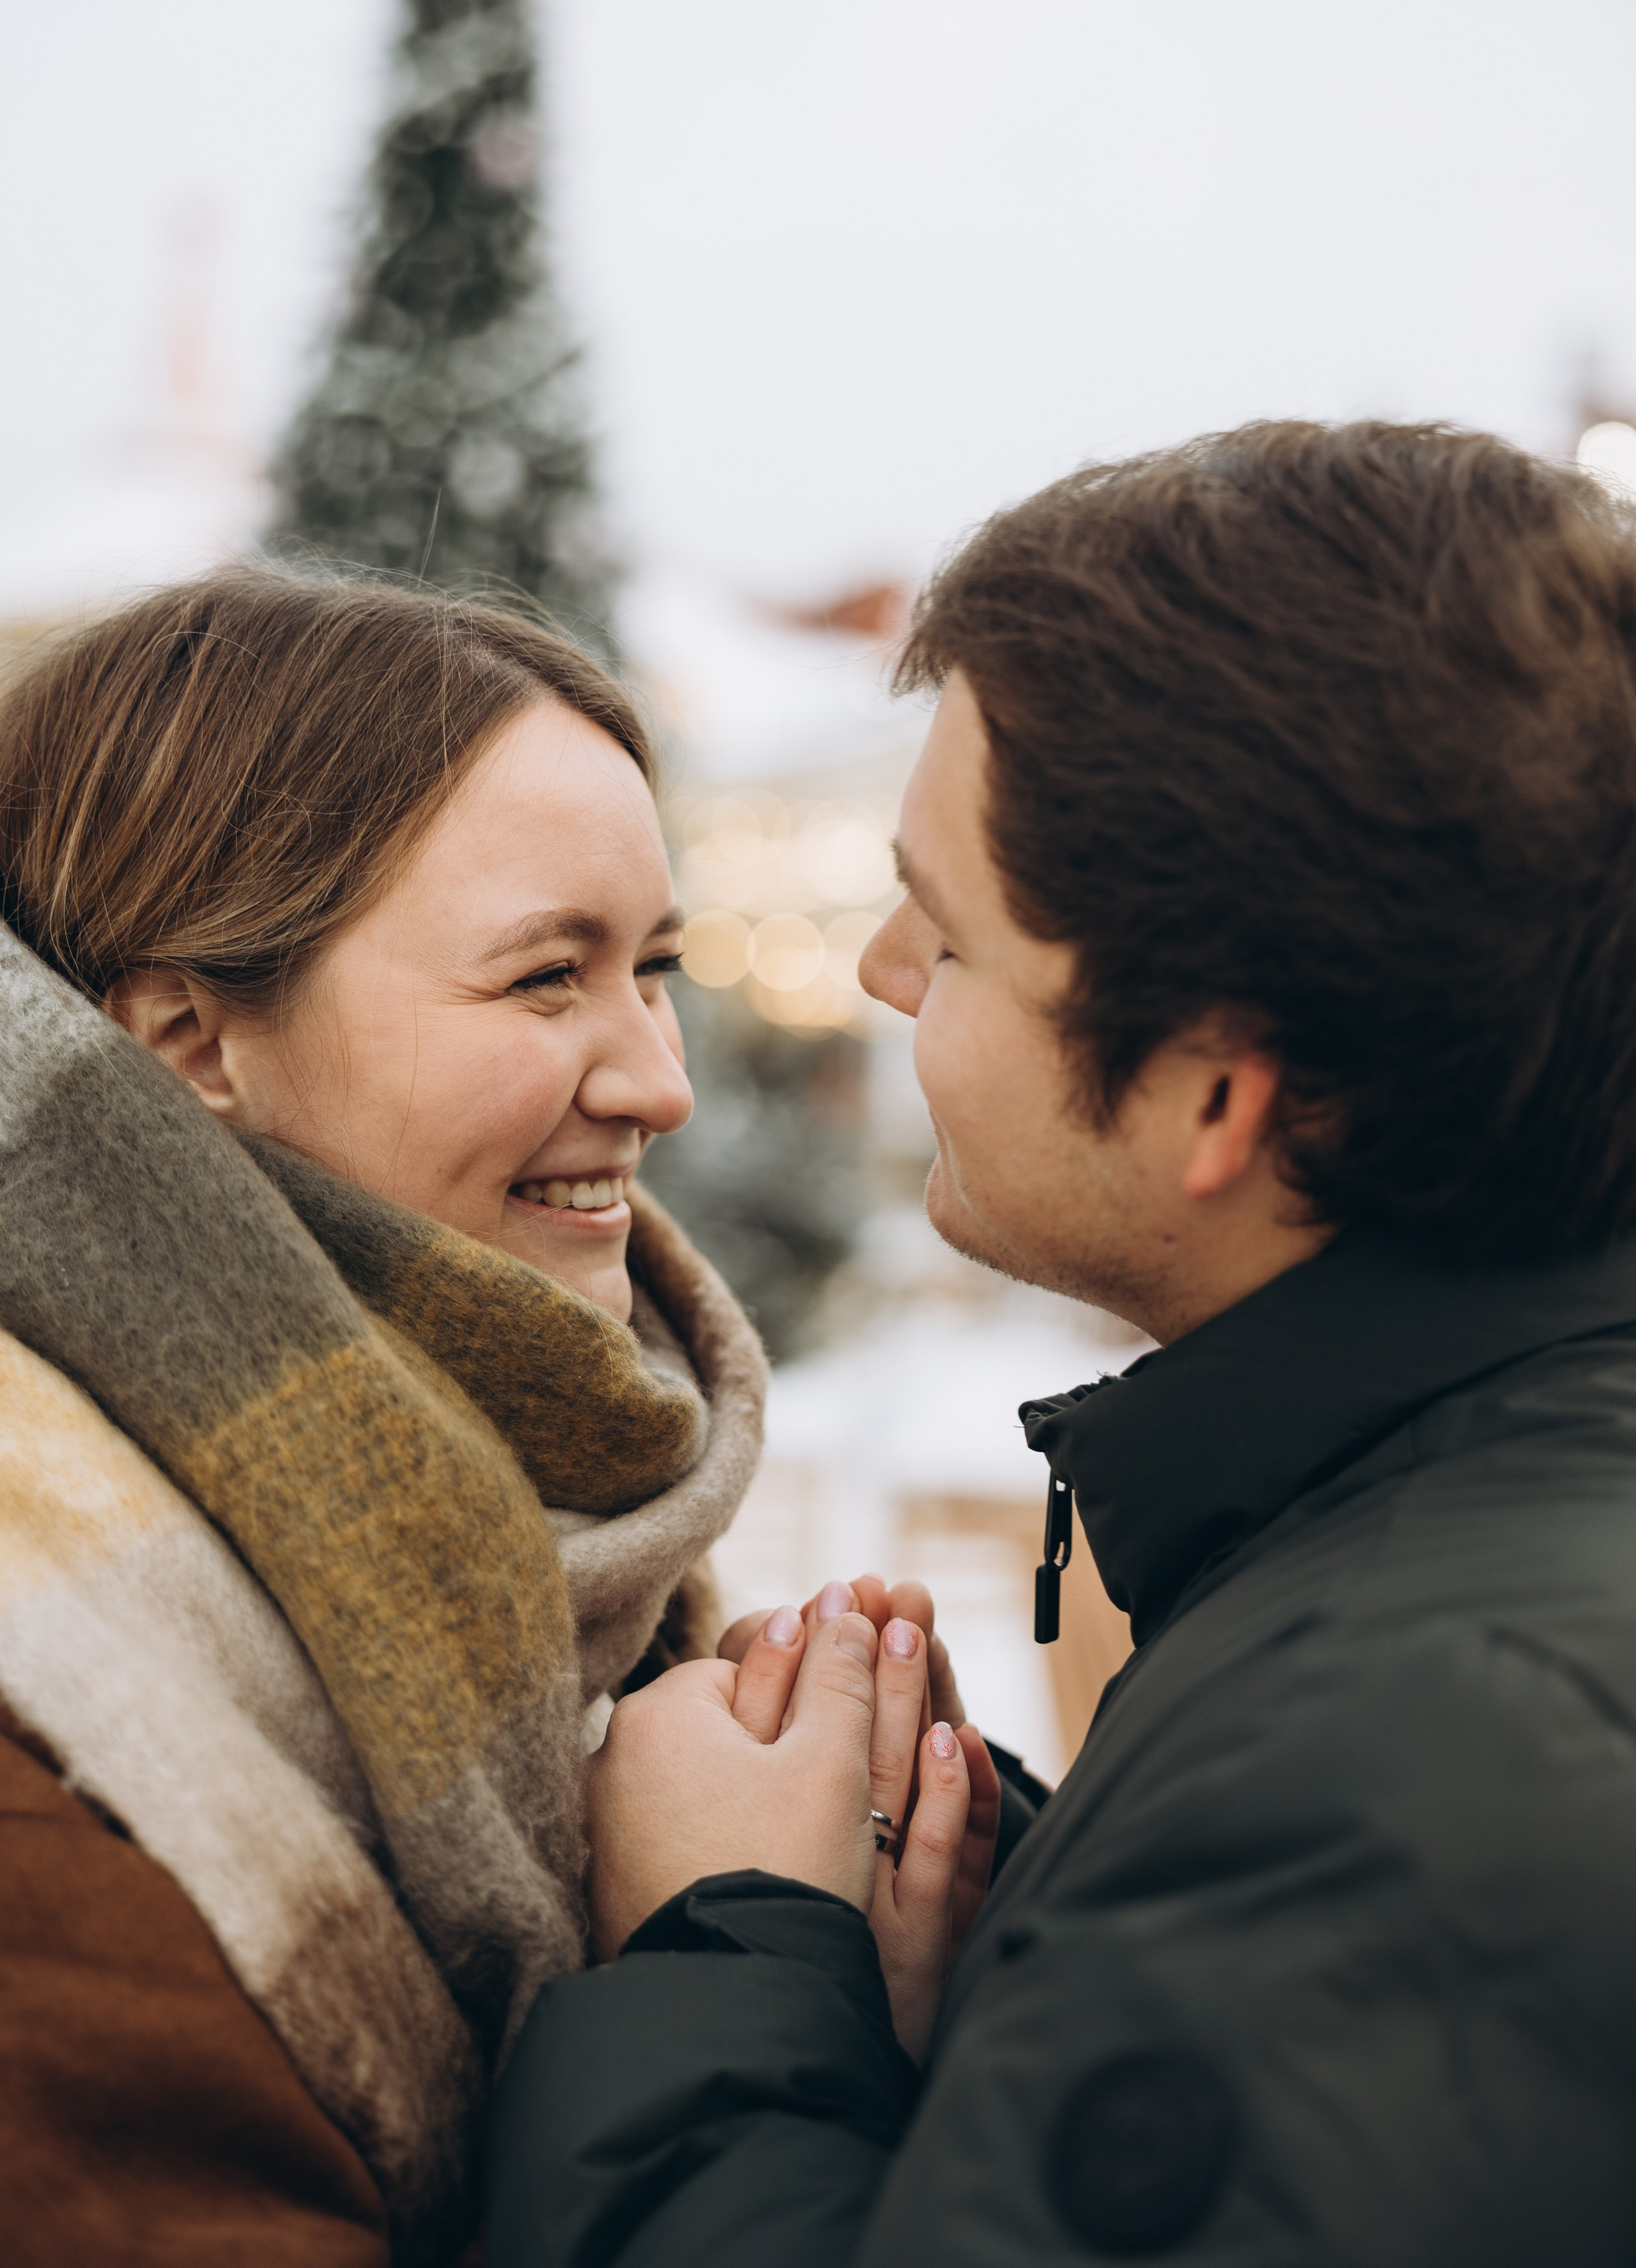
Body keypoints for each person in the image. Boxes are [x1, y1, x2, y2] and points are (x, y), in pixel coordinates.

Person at [488, 419, 1636, 2267]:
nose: (873, 971)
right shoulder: (1444, 1579)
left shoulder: (1415, 1777)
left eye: (946, 935)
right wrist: (1047, 1938)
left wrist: (731, 1938)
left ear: (1213, 1093)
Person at [0, 572, 774, 2265]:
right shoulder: (48, 1719)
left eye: (652, 968)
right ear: (192, 1038)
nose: (662, 1080)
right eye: (544, 980)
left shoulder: (581, 1575)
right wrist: (748, 1973)